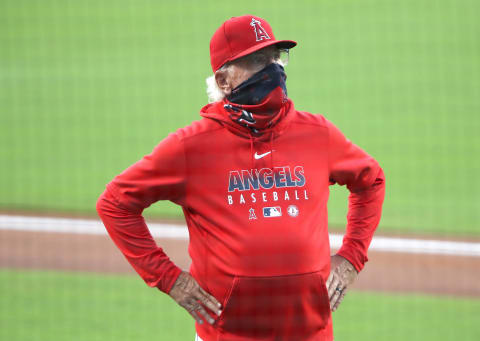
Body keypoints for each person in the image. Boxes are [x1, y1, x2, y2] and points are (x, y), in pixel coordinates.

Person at [96, 14, 385, 341]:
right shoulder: (191, 147)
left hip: (311, 333)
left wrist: (351, 258)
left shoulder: (316, 133)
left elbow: (370, 180)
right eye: (256, 62)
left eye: (274, 58)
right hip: (228, 335)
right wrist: (170, 279)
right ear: (223, 81)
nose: (272, 70)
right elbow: (115, 204)